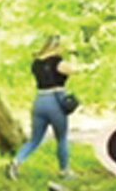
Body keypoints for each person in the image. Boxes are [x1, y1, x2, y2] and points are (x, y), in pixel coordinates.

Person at [7, 35, 92, 181]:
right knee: (62, 138)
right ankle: (65, 172)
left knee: (34, 140)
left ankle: (16, 162)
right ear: (56, 46)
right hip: (55, 101)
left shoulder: (36, 63)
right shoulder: (58, 62)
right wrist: (86, 66)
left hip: (39, 101)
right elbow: (73, 70)